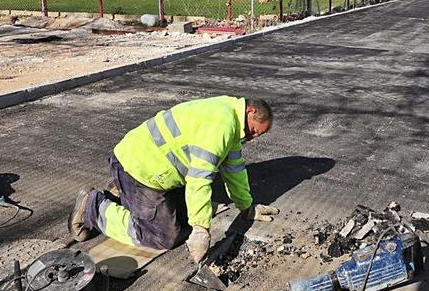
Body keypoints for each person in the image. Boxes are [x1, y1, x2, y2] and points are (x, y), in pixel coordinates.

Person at [69, 95, 279, 263]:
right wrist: (201, 229)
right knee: (162, 237)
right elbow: (200, 178)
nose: (253, 137)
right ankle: (93, 207)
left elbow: (235, 172)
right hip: (139, 169)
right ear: (250, 112)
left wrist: (247, 207)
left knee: (183, 221)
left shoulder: (231, 120)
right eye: (254, 131)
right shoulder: (222, 124)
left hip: (157, 169)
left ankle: (122, 191)